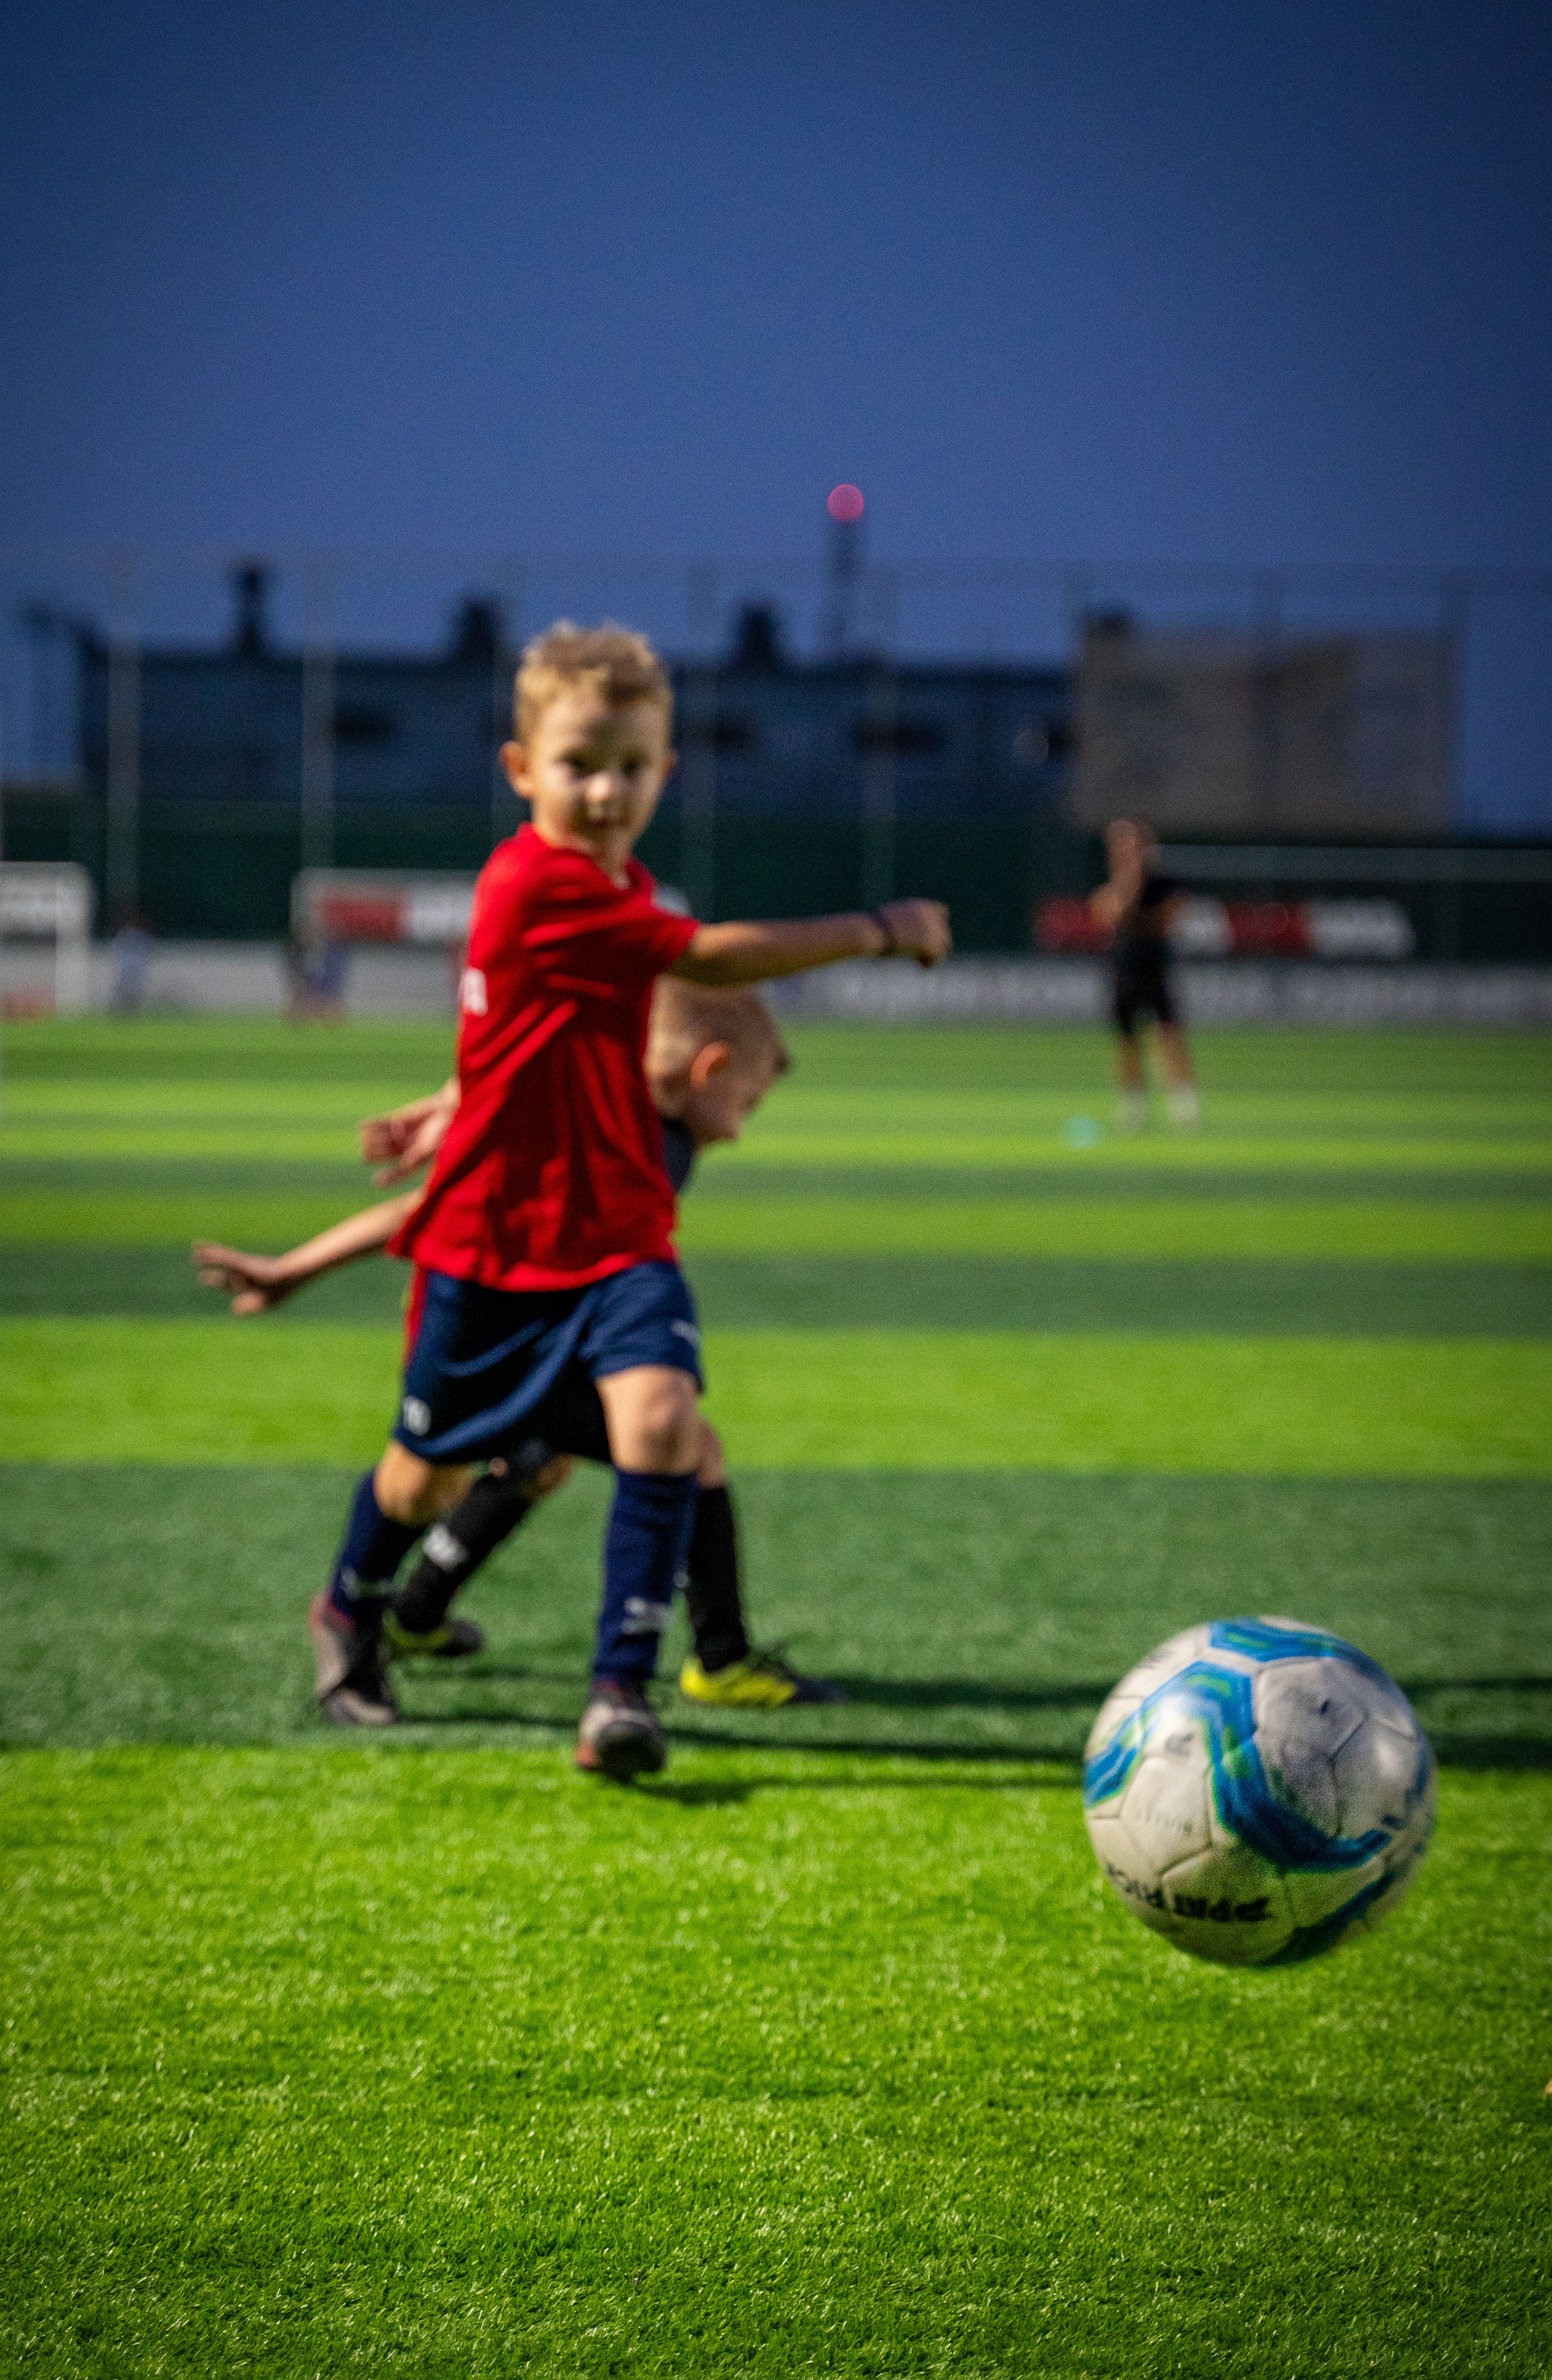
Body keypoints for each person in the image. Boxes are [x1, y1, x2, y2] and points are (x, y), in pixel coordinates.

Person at [275, 621, 949, 1781]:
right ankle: (351, 1609)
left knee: (665, 1428)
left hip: (616, 1236)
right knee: (421, 1473)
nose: (605, 789)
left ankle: (617, 1695)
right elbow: (712, 959)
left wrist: (451, 1098)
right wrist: (880, 931)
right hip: (492, 1246)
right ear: (520, 768)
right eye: (580, 761)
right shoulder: (536, 881)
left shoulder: (607, 884)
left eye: (631, 767)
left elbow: (537, 1030)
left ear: (665, 776)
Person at [193, 979, 842, 1722]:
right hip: (480, 1327)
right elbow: (424, 1211)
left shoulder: (667, 1136)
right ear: (708, 1067)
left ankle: (720, 1660)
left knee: (679, 1447)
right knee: (421, 1488)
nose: (739, 1130)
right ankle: (354, 1614)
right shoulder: (574, 1126)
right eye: (747, 1102)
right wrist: (292, 1271)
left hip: (579, 1330)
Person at [1088, 818, 1201, 1133]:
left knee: (1169, 1034)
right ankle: (1133, 1106)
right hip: (1124, 968)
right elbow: (1104, 913)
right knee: (1126, 1039)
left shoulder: (1165, 882)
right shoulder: (1117, 883)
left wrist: (1133, 905)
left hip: (1155, 967)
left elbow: (1166, 921)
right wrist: (1127, 888)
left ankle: (1184, 1104)